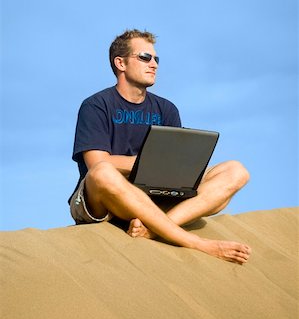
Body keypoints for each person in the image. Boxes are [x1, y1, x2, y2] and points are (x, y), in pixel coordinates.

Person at [69, 29, 251, 264]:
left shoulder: (167, 109)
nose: (153, 64)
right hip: (106, 201)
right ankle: (197, 243)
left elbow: (176, 165)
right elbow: (96, 164)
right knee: (102, 172)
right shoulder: (96, 105)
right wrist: (148, 163)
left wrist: (179, 169)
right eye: (145, 57)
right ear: (120, 63)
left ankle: (154, 229)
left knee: (236, 171)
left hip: (156, 195)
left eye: (156, 59)